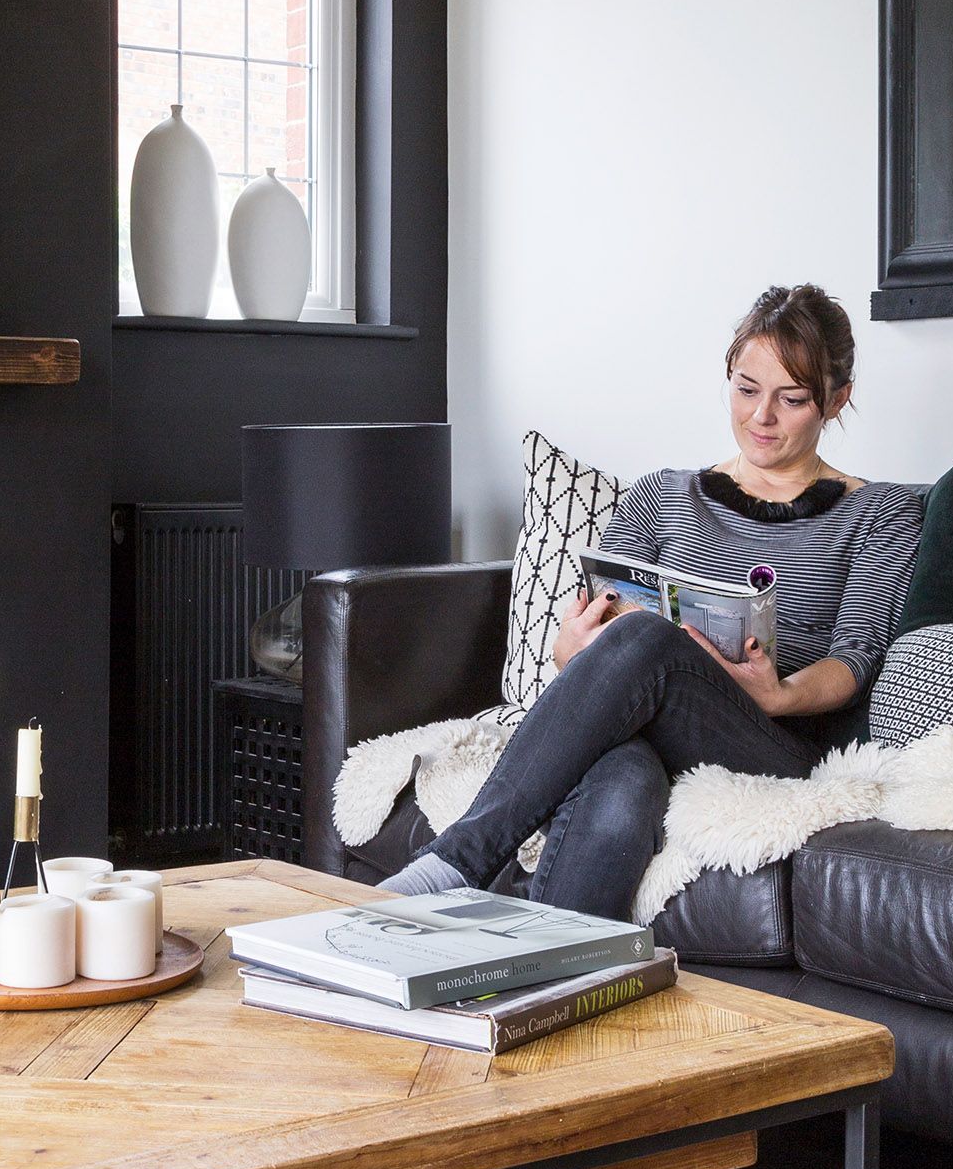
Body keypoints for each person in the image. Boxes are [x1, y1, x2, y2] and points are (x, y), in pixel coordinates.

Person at [383, 283, 922, 920]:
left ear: (836, 400)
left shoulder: (880, 511)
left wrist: (779, 694)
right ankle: (545, 982)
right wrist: (570, 648)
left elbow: (856, 657)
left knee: (644, 639)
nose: (762, 417)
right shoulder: (659, 496)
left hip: (773, 739)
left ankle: (461, 858)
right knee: (624, 773)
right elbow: (593, 615)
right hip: (643, 726)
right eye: (746, 389)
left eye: (792, 399)